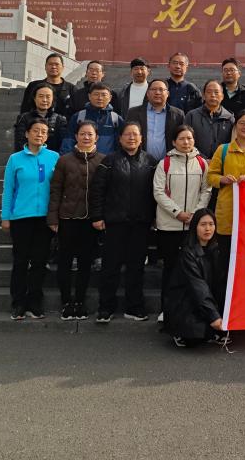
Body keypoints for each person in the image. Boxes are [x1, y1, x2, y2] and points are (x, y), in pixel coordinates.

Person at [89, 121, 157, 323]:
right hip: (114, 222)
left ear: (141, 138)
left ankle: (134, 307)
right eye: (127, 134)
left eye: (135, 134)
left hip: (140, 223)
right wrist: (97, 216)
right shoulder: (109, 161)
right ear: (120, 138)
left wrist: (154, 217)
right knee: (110, 267)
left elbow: (156, 192)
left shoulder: (150, 162)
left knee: (136, 267)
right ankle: (105, 307)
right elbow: (98, 190)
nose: (131, 138)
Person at [1, 119, 60, 320]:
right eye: (36, 131)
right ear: (26, 134)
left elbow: (58, 189)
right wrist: (5, 216)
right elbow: (8, 189)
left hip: (44, 218)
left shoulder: (54, 157)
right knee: (20, 261)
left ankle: (35, 302)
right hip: (21, 217)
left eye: (44, 131)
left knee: (39, 261)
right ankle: (18, 302)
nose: (39, 134)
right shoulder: (15, 159)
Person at [153, 125, 212, 321]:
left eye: (189, 138)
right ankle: (167, 309)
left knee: (193, 270)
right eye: (181, 139)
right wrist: (177, 213)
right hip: (169, 226)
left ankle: (191, 309)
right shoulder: (165, 164)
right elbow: (158, 192)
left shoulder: (202, 164)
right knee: (170, 268)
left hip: (193, 227)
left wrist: (195, 214)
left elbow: (207, 190)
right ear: (173, 142)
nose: (186, 142)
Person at [48, 121, 105, 321]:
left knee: (85, 263)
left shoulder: (103, 160)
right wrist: (53, 217)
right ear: (76, 136)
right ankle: (66, 302)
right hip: (67, 218)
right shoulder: (64, 161)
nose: (86, 137)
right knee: (64, 262)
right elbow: (56, 190)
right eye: (82, 134)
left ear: (96, 137)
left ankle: (80, 301)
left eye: (90, 134)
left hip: (90, 221)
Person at [162, 208, 228, 348]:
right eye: (203, 224)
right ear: (195, 227)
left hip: (204, 299)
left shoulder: (216, 249)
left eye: (211, 224)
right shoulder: (187, 253)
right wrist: (214, 316)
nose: (208, 229)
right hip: (185, 300)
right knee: (194, 336)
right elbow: (198, 287)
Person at [126, 78, 185, 161]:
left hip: (169, 162)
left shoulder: (178, 115)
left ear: (167, 94)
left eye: (161, 90)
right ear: (147, 93)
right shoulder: (133, 113)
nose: (157, 92)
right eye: (153, 89)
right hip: (140, 162)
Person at [64, 82, 124, 155]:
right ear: (89, 96)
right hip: (82, 160)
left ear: (110, 98)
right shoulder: (79, 117)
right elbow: (68, 141)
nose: (100, 98)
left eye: (104, 95)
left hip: (108, 160)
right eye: (96, 94)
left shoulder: (116, 119)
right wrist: (67, 159)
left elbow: (122, 144)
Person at [184, 80, 235, 160]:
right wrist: (203, 159)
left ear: (222, 96)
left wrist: (217, 161)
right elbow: (186, 141)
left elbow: (232, 144)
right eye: (209, 92)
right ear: (204, 95)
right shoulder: (192, 116)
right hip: (196, 162)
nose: (213, 95)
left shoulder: (229, 118)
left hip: (222, 163)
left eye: (216, 92)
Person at [13, 83, 67, 153]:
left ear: (53, 99)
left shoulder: (60, 120)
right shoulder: (24, 118)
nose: (44, 100)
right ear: (34, 98)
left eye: (48, 97)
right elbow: (20, 142)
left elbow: (63, 144)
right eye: (41, 96)